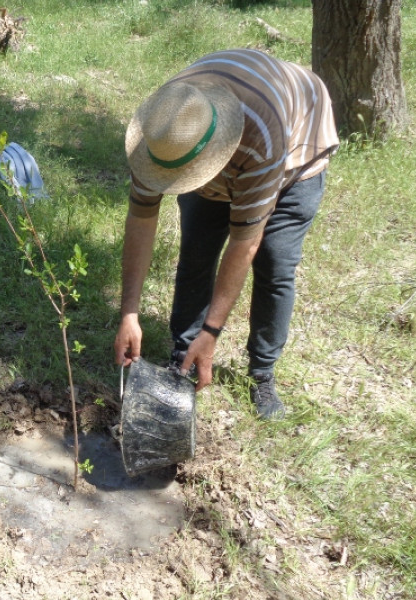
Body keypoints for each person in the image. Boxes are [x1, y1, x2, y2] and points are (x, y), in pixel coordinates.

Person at [113, 49, 339, 419]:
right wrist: (129, 313)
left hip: (298, 143)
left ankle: (261, 372)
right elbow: (141, 220)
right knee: (198, 249)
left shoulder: (261, 138)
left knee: (274, 261)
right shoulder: (160, 134)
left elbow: (245, 241)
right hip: (230, 127)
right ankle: (183, 356)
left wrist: (213, 332)